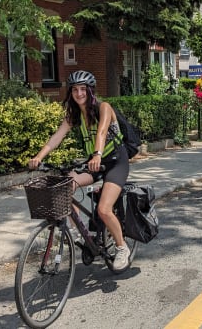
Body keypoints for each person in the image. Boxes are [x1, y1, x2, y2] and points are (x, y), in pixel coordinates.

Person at [27, 70, 132, 272]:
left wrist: (98, 154)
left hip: (115, 162)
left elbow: (101, 132)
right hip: (94, 161)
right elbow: (56, 137)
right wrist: (39, 157)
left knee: (103, 210)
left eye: (83, 89)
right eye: (75, 89)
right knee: (65, 186)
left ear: (90, 91)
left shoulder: (104, 107)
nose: (79, 93)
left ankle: (122, 248)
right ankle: (75, 233)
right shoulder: (73, 114)